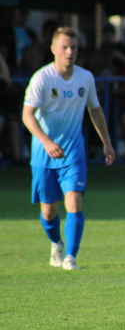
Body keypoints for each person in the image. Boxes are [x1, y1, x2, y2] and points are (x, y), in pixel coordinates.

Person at [21, 27, 115, 270]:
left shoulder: (85, 78)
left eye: (73, 47)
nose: (70, 51)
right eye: (64, 47)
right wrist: (46, 141)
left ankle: (70, 257)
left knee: (73, 202)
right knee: (49, 212)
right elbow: (27, 115)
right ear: (53, 49)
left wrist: (106, 142)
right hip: (44, 154)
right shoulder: (42, 78)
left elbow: (95, 110)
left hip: (73, 152)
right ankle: (56, 244)